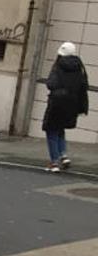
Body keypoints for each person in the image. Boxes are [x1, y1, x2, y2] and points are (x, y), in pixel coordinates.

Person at [43, 41, 89, 173]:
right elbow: (83, 86)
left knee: (51, 130)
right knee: (60, 129)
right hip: (72, 104)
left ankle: (54, 162)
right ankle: (63, 155)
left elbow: (51, 84)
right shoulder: (79, 67)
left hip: (57, 102)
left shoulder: (58, 66)